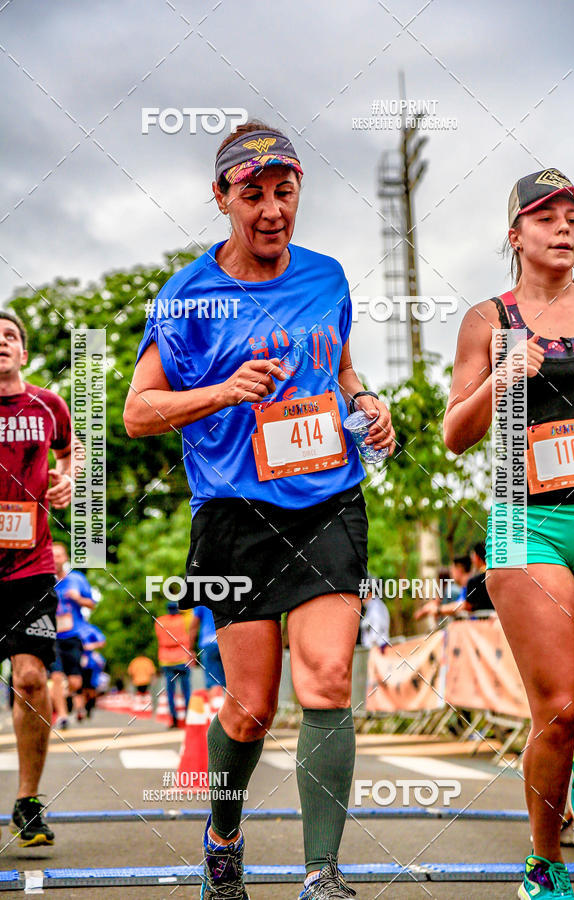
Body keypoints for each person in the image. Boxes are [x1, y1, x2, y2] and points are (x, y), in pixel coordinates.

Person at [124, 120, 395, 900]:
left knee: (327, 681)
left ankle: (321, 873)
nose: (272, 209)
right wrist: (221, 391)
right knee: (248, 710)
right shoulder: (186, 297)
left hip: (327, 501)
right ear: (222, 199)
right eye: (253, 195)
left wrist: (365, 400)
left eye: (285, 192)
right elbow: (141, 412)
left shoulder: (327, 277)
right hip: (235, 515)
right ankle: (222, 836)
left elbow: (339, 366)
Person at [444, 167, 574, 900]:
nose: (564, 228)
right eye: (546, 217)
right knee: (560, 707)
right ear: (516, 236)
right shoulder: (488, 320)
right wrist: (501, 379)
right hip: (525, 521)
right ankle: (544, 862)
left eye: (573, 216)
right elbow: (453, 435)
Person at [0, 310, 79, 846]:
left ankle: (28, 801)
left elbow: (73, 453)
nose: (0, 344)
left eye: (9, 337)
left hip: (31, 565)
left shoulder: (48, 405)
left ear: (23, 353)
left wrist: (67, 479)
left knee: (30, 678)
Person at [52, 541, 96, 722]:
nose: (55, 559)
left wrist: (78, 598)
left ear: (66, 558)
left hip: (73, 635)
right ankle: (62, 715)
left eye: (59, 555)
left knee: (75, 682)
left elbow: (91, 604)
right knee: (55, 676)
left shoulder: (77, 579)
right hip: (52, 637)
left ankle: (66, 695)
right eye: (51, 556)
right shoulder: (44, 582)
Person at [154, 600, 193, 728]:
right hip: (182, 658)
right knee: (186, 690)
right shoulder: (184, 620)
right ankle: (188, 717)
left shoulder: (160, 621)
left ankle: (174, 719)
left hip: (166, 660)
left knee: (170, 691)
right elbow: (191, 613)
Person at [414, 554, 472, 621]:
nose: (451, 572)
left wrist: (438, 610)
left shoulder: (454, 590)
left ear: (459, 568)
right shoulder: (462, 589)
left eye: (452, 569)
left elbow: (463, 606)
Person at [189, 604, 226, 695]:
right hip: (226, 642)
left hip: (208, 644)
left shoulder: (202, 600)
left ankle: (215, 707)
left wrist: (190, 650)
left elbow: (193, 627)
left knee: (214, 683)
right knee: (233, 684)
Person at [464, 542, 494, 615]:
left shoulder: (473, 581)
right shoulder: (499, 577)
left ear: (477, 557)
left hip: (480, 622)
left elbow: (468, 606)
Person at [359, 584, 390, 649]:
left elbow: (377, 624)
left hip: (378, 646)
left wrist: (373, 641)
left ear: (369, 593)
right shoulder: (373, 605)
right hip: (378, 645)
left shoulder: (375, 606)